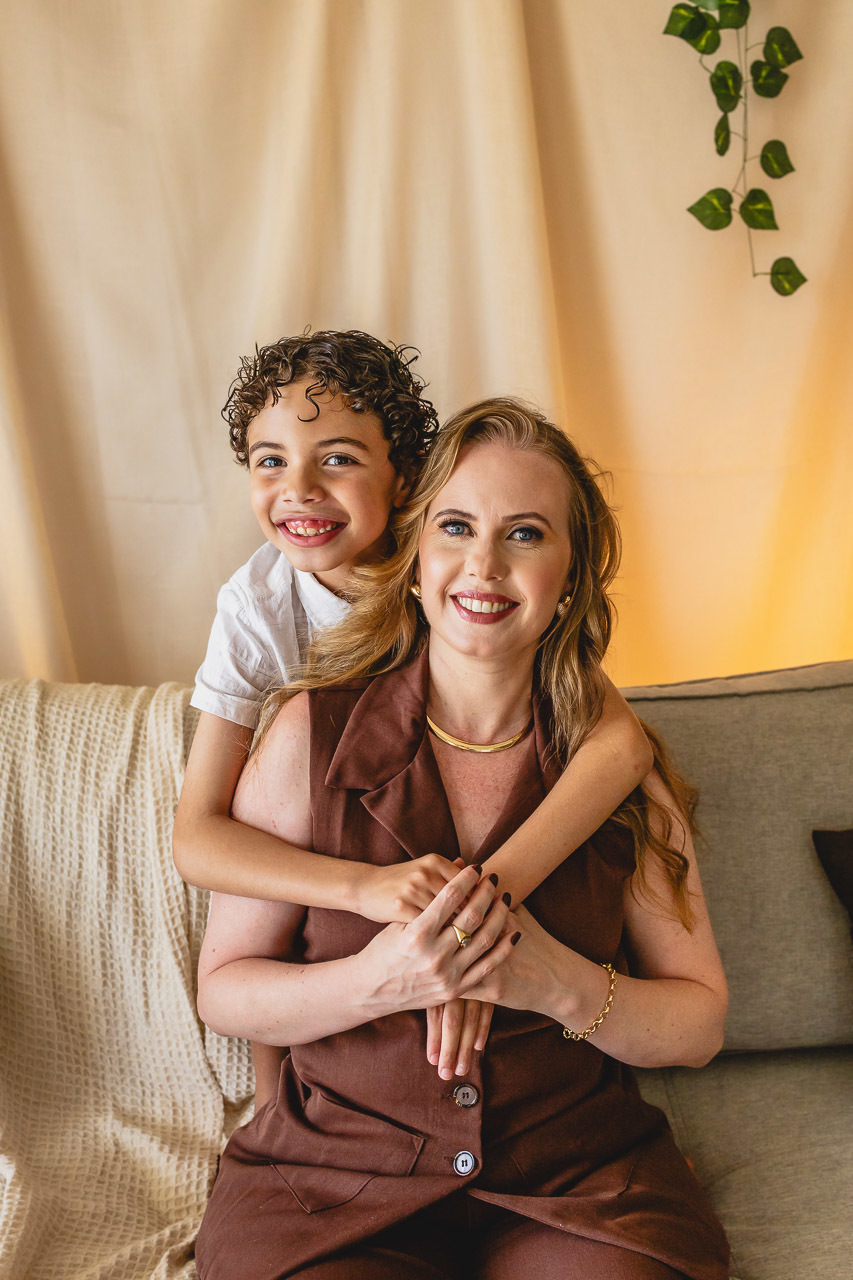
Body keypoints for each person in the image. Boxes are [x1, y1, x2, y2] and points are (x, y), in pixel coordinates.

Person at [194, 398, 731, 1280]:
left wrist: (556, 984)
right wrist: (380, 980)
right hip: (335, 1180)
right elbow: (224, 991)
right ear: (413, 560)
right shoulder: (306, 736)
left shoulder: (619, 771)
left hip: (577, 1181)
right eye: (455, 527)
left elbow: (698, 1023)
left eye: (524, 534)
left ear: (569, 577)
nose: (483, 564)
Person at [173, 332, 653, 1100]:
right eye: (270, 461)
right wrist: (361, 889)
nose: (298, 489)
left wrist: (479, 910)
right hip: (331, 878)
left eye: (336, 459)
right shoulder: (258, 608)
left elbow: (620, 747)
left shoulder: (456, 574)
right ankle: (273, 1105)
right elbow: (199, 837)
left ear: (407, 481)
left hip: (453, 851)